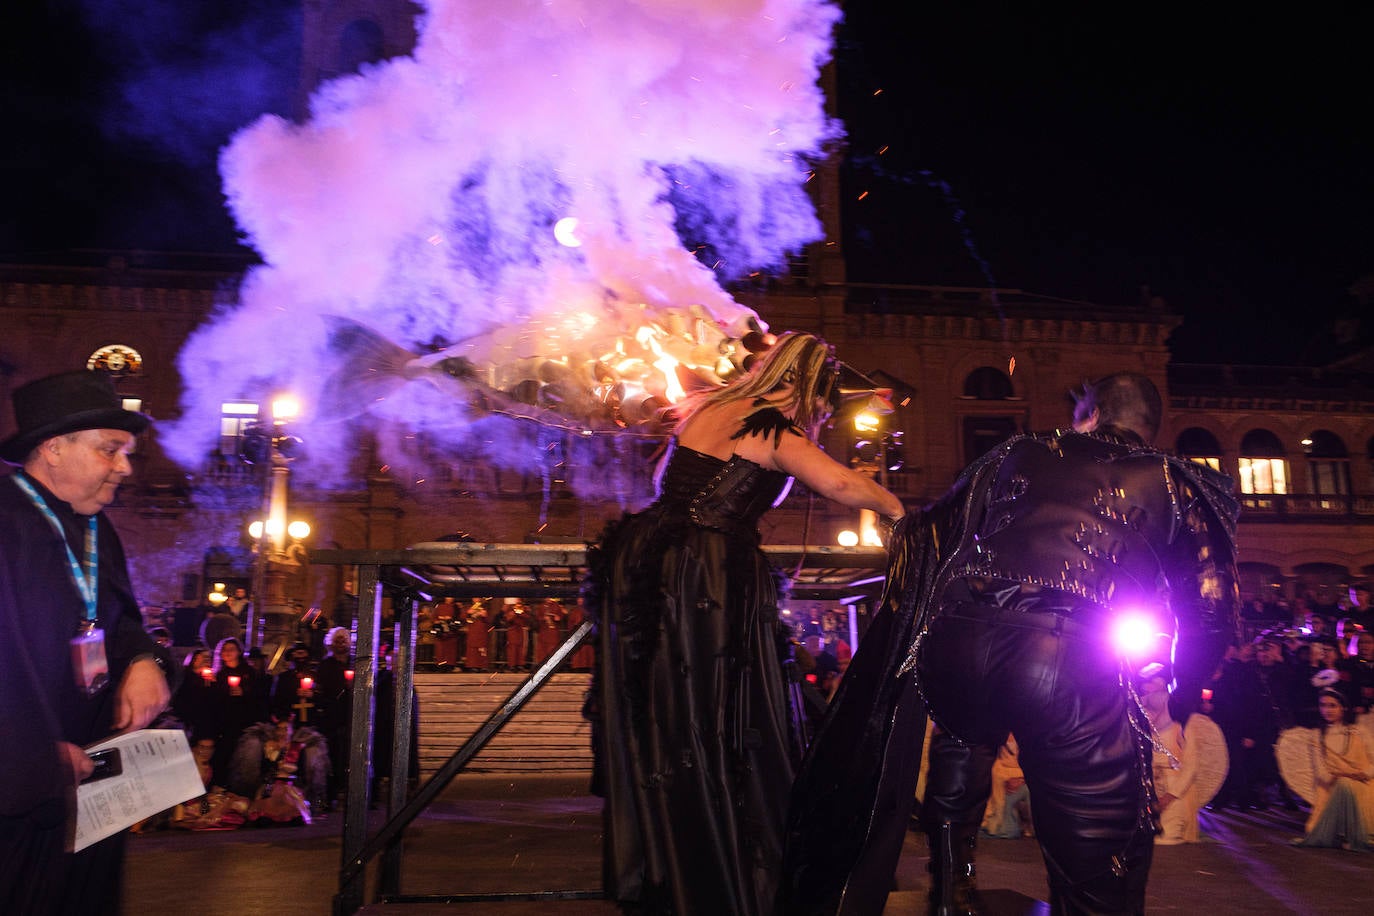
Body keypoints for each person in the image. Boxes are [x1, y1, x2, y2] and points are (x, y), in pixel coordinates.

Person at [784, 372, 1240, 916]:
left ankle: (951, 887)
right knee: (1096, 822)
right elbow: (1213, 609)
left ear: (1089, 414)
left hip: (961, 638)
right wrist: (1180, 686)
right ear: (1152, 425)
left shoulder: (1018, 452)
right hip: (1067, 647)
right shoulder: (1172, 480)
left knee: (963, 733)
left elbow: (937, 529)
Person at [583, 330, 904, 915]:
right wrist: (901, 511)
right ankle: (723, 866)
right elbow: (837, 481)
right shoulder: (770, 429)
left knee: (670, 715)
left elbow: (664, 486)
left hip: (649, 559)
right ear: (810, 389)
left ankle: (674, 862)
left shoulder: (708, 407)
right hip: (703, 575)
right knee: (718, 713)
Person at [0, 369, 171, 914]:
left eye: (125, 452)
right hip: (20, 794)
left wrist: (143, 659)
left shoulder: (97, 529)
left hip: (93, 787)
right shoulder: (5, 521)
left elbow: (116, 621)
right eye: (109, 450)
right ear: (53, 449)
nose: (124, 467)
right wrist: (34, 758)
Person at [1294, 688, 1374, 850]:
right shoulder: (1317, 735)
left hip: (1364, 782)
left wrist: (1363, 774)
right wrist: (1342, 777)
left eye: (1332, 705)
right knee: (1344, 784)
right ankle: (1347, 833)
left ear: (1343, 707)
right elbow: (1321, 773)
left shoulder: (1360, 731)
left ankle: (1353, 833)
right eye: (1323, 705)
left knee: (1347, 784)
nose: (1327, 710)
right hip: (1331, 785)